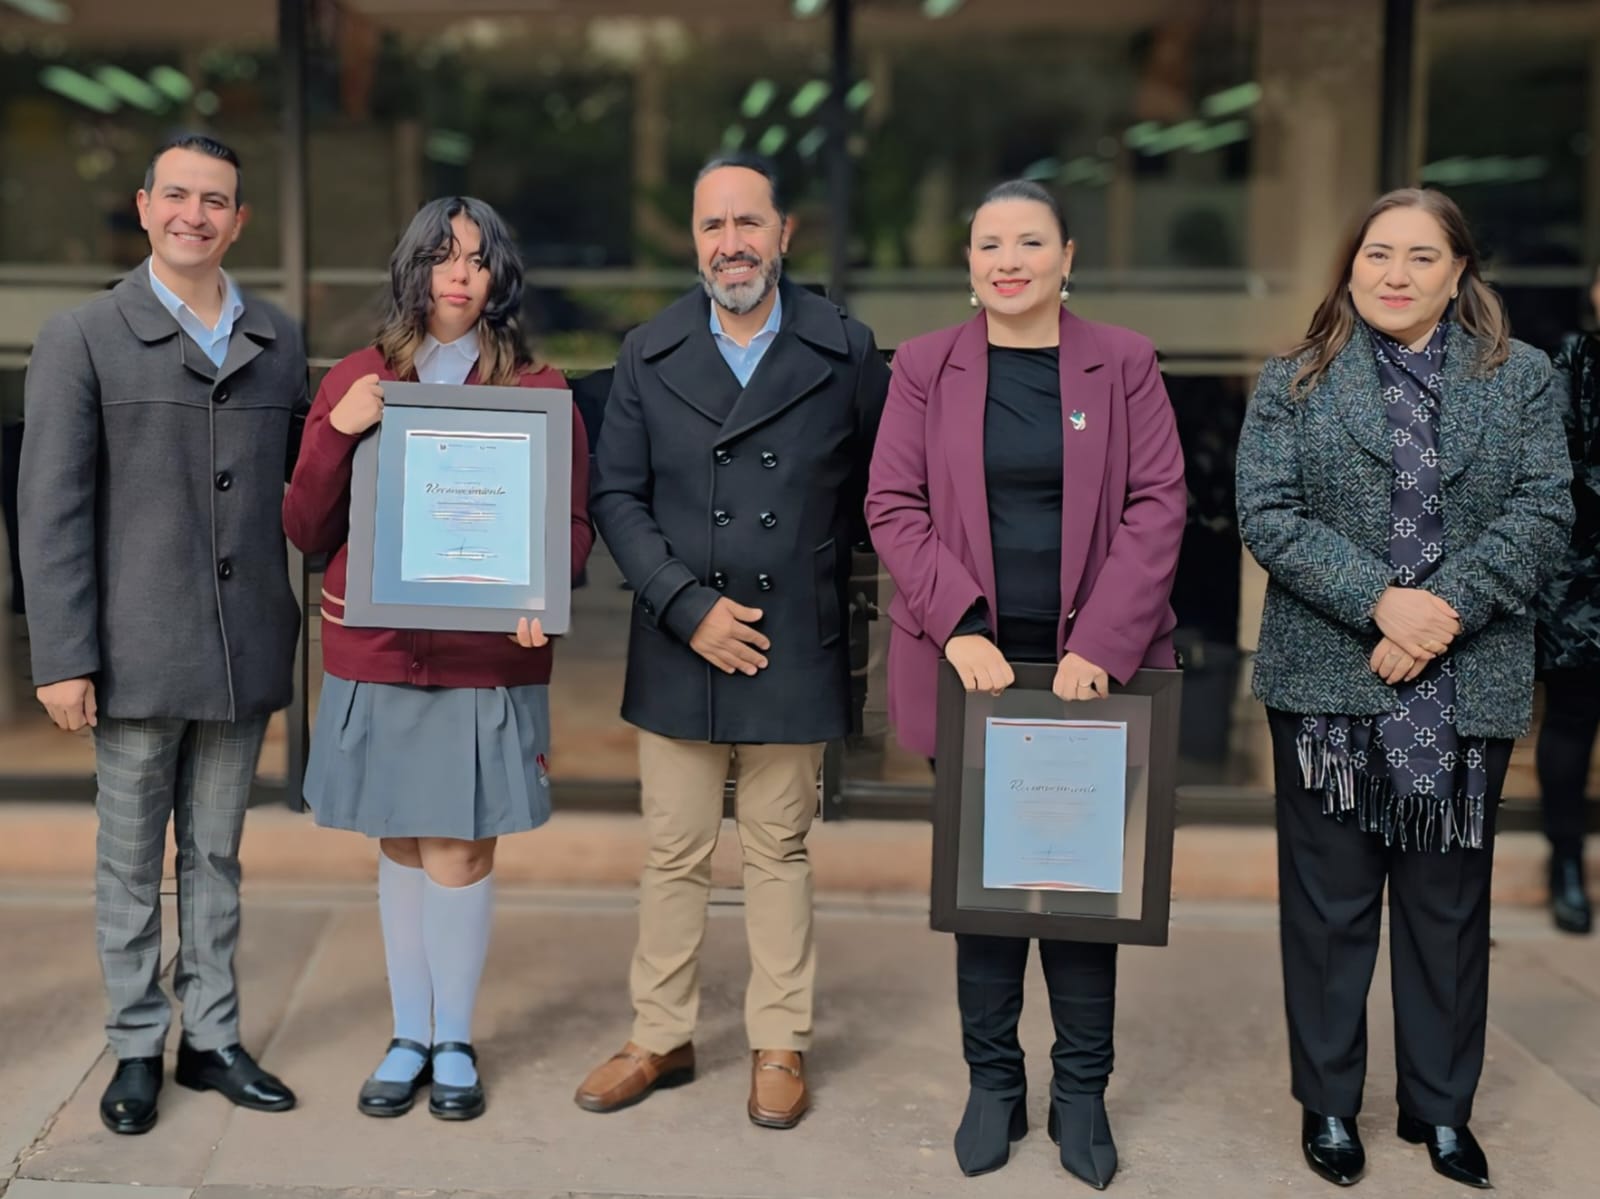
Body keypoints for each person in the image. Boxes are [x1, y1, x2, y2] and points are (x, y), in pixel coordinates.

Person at [1236, 188, 1573, 1190]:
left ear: (1458, 270)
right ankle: (1330, 1104)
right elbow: (1267, 511)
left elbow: (1545, 510)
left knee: (1447, 907)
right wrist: (1380, 602)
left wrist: (1442, 611)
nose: (1396, 273)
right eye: (1378, 252)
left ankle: (1440, 1108)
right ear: (1350, 265)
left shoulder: (1520, 376)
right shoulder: (1294, 380)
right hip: (1325, 681)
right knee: (1330, 908)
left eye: (1422, 256)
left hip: (1467, 679)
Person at [865, 180, 1185, 1188]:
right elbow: (893, 503)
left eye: (1030, 242)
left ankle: (1081, 1091)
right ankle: (992, 1083)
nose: (1009, 260)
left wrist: (1103, 642)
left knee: (1085, 890)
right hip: (978, 672)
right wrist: (957, 625)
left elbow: (1157, 503)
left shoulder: (1123, 361)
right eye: (990, 243)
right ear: (969, 263)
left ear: (1067, 256)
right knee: (989, 891)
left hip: (1095, 675)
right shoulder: (925, 366)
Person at [578, 152, 890, 1129]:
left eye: (748, 222)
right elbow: (615, 495)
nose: (731, 243)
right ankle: (659, 1034)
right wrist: (686, 605)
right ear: (694, 240)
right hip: (680, 633)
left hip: (791, 634)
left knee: (777, 846)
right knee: (673, 848)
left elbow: (878, 491)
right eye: (713, 225)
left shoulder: (846, 349)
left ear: (784, 233)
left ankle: (779, 1039)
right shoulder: (649, 350)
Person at [19, 133, 308, 1135]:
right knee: (130, 860)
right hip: (134, 650)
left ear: (240, 220)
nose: (195, 214)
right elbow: (50, 509)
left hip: (242, 649)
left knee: (216, 854)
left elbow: (310, 485)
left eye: (215, 200)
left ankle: (212, 1037)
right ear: (144, 207)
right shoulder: (83, 335)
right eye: (177, 195)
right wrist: (62, 656)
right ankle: (138, 1042)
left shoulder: (277, 337)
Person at [282, 196, 592, 1121]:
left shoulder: (538, 389)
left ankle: (452, 1035)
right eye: (440, 255)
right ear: (410, 269)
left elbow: (570, 525)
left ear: (499, 277)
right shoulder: (357, 378)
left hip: (484, 657)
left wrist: (544, 594)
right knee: (403, 838)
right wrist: (339, 431)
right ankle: (406, 1033)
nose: (458, 273)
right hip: (378, 648)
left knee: (460, 843)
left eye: (477, 258)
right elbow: (305, 525)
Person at [1534, 272, 1600, 936]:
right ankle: (1566, 864)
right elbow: (1554, 465)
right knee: (1573, 721)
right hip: (1583, 578)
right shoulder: (1572, 361)